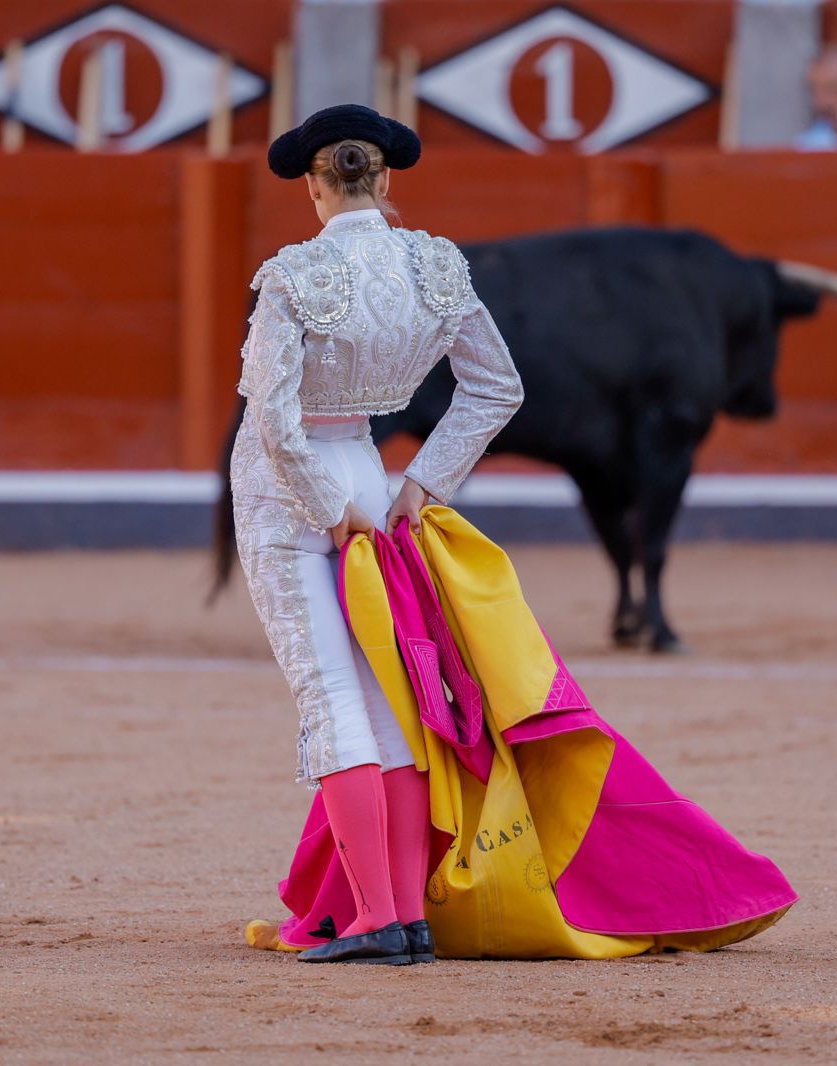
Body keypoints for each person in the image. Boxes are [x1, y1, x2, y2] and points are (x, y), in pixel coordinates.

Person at [230, 103, 523, 964]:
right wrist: (420, 485)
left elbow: (277, 425)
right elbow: (495, 388)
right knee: (385, 698)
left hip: (295, 493)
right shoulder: (436, 264)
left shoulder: (292, 273)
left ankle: (373, 919)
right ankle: (405, 916)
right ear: (385, 178)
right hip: (372, 470)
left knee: (330, 697)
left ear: (314, 185)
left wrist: (329, 508)